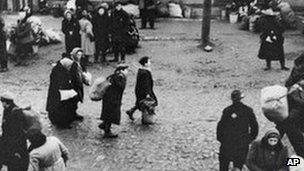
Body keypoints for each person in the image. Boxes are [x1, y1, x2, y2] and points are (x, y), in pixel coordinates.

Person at [216, 90, 259, 171]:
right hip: (241, 143)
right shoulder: (247, 110)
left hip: (227, 143)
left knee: (224, 165)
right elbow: (254, 126)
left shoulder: (227, 110)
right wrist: (250, 138)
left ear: (232, 99)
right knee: (238, 166)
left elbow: (220, 126)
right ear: (241, 98)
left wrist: (221, 139)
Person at [272, 53, 304, 158]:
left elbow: (288, 83)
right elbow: (289, 83)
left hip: (294, 104)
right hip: (296, 103)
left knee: (286, 123)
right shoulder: (299, 67)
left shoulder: (298, 66)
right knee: (287, 123)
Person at [46, 57, 80, 129]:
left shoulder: (61, 69)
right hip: (58, 93)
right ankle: (62, 123)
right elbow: (59, 83)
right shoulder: (57, 71)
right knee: (62, 108)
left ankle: (70, 117)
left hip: (62, 92)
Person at [0, 93, 29, 170]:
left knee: (15, 161)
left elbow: (18, 132)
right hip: (8, 139)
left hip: (15, 144)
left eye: (2, 102)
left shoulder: (16, 113)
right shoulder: (6, 110)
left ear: (6, 102)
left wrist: (15, 150)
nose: (1, 104)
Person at [99, 64, 129, 138]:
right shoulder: (120, 77)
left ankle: (104, 124)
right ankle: (107, 131)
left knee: (107, 113)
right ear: (121, 70)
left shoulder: (112, 76)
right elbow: (121, 87)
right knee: (111, 115)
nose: (127, 71)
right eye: (126, 70)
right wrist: (125, 78)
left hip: (108, 98)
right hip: (113, 99)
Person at [126, 56, 157, 122]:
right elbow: (146, 84)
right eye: (149, 61)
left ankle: (131, 111)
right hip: (144, 91)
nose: (150, 63)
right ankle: (146, 118)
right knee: (146, 103)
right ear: (145, 64)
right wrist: (148, 93)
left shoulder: (141, 71)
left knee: (139, 103)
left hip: (139, 90)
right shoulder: (145, 73)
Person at [257, 6, 289, 71]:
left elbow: (282, 28)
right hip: (270, 37)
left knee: (274, 51)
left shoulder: (273, 20)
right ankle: (280, 66)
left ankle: (273, 66)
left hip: (274, 37)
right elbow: (282, 28)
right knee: (273, 51)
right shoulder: (267, 20)